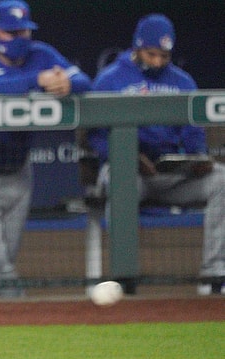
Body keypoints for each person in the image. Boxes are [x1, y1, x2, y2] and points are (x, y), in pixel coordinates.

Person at [0, 0, 91, 298]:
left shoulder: (41, 54)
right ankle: (27, 313)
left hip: (18, 173)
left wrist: (66, 83)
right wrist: (36, 81)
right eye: (11, 33)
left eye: (23, 32)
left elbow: (83, 79)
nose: (19, 39)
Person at [87, 13, 224, 295]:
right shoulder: (111, 79)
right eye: (152, 54)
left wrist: (198, 159)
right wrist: (128, 158)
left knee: (222, 181)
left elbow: (193, 132)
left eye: (164, 55)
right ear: (137, 48)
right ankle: (124, 277)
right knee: (122, 178)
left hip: (171, 175)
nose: (158, 61)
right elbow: (95, 136)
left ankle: (215, 275)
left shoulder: (182, 80)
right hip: (127, 171)